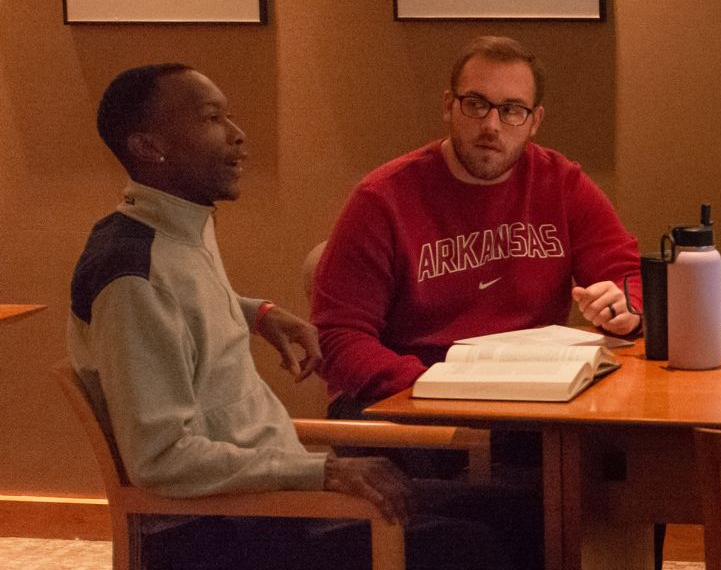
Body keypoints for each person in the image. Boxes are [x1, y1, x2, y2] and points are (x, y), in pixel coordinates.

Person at [69, 63, 514, 569]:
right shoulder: (131, 276)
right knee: (471, 547)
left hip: (266, 498)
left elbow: (177, 310)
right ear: (149, 147)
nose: (238, 137)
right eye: (213, 120)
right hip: (218, 531)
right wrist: (320, 475)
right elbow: (161, 460)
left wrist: (256, 314)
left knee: (516, 512)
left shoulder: (171, 230)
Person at [313, 36, 642, 420]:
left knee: (623, 452)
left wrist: (627, 304)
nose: (491, 125)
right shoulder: (382, 198)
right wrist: (436, 387)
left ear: (535, 121)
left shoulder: (561, 184)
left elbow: (628, 276)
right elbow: (337, 337)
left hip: (528, 396)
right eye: (476, 105)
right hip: (411, 400)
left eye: (511, 110)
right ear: (448, 106)